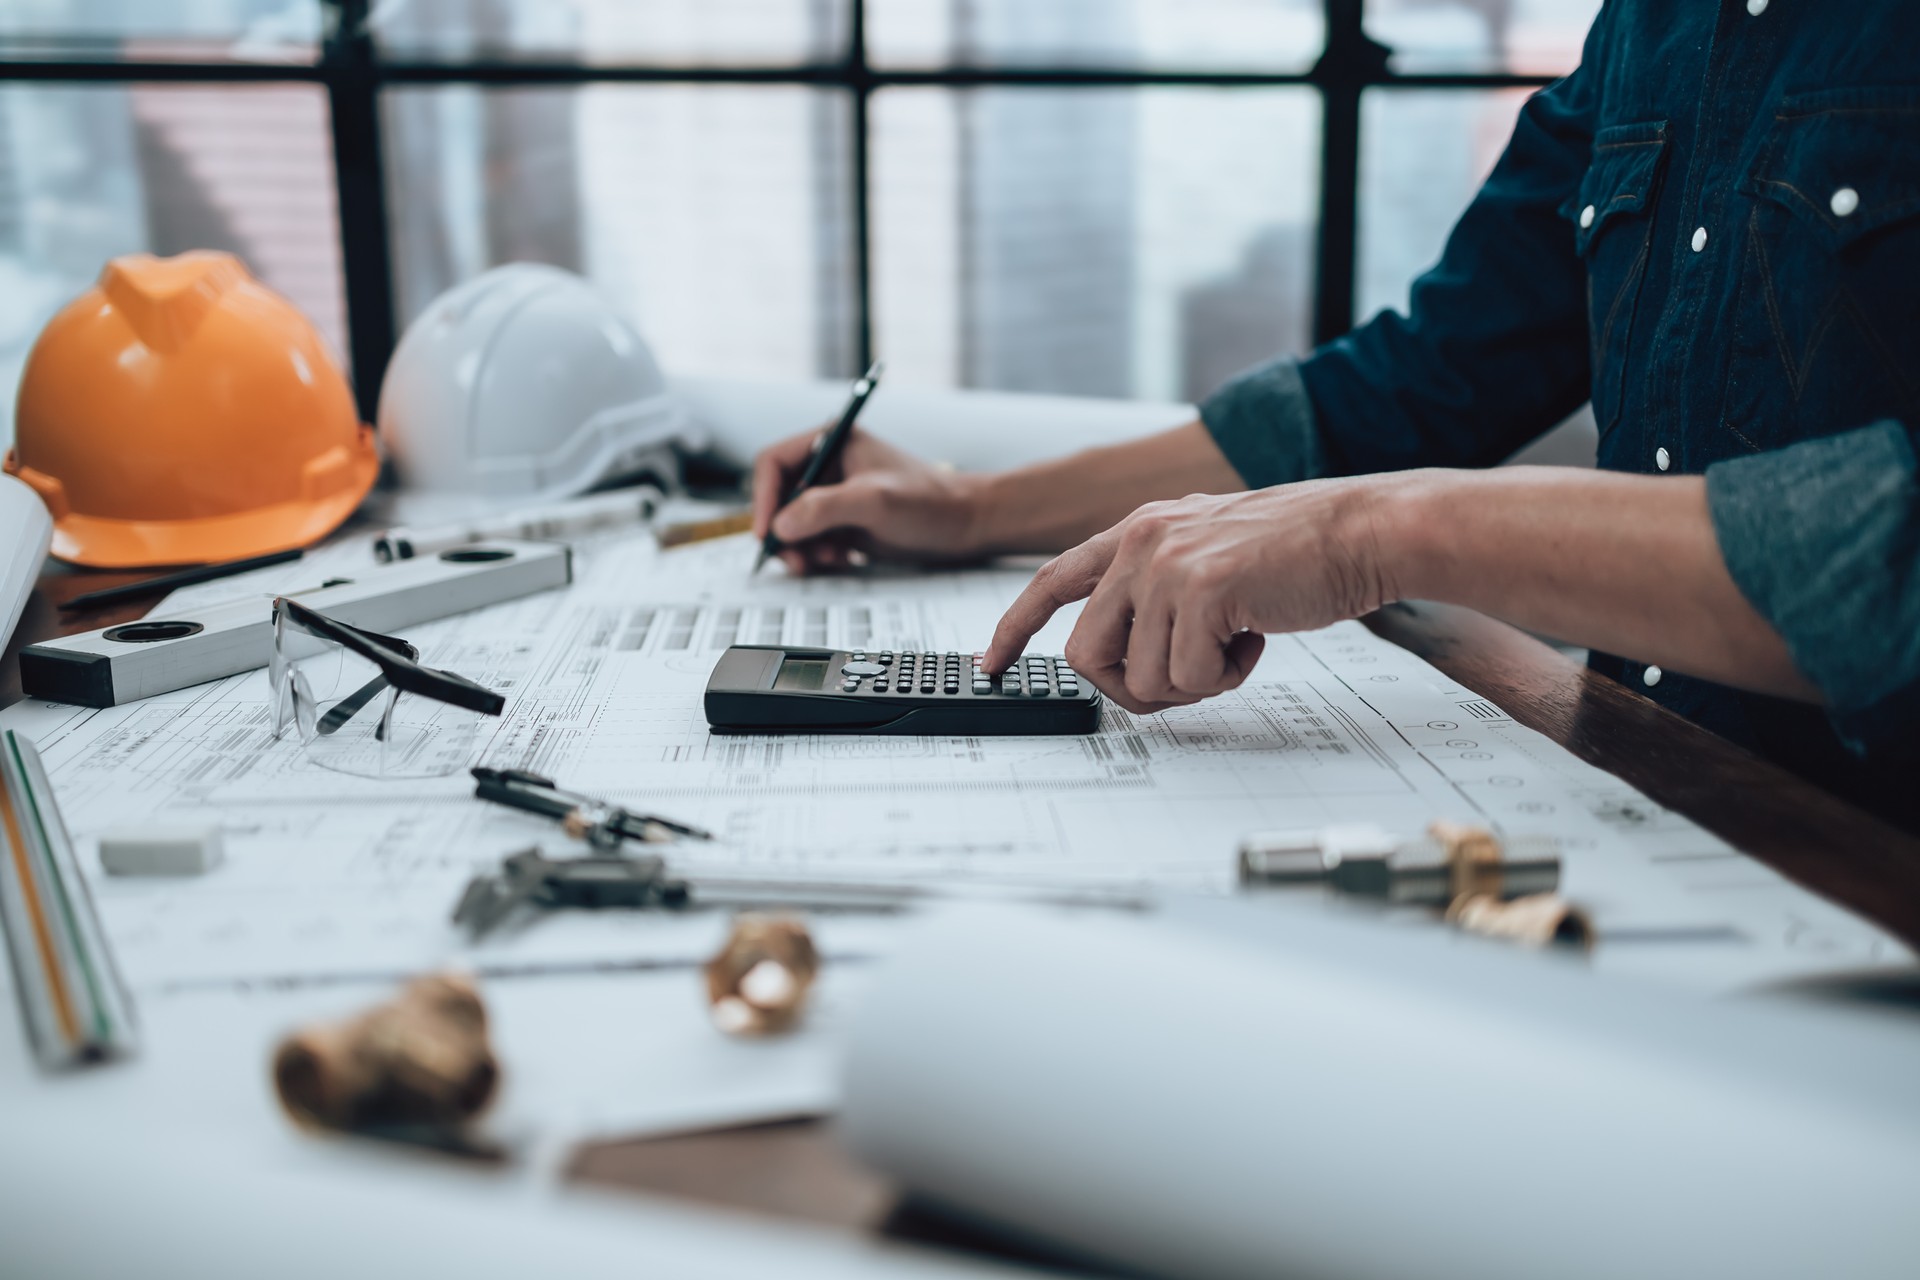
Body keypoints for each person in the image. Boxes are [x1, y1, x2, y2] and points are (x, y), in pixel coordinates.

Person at [751, 1, 1920, 831]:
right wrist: (968, 507)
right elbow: (1409, 386)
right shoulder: (1649, 28)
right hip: (1640, 797)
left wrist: (1369, 533)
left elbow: (1894, 539)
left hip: (1867, 864)